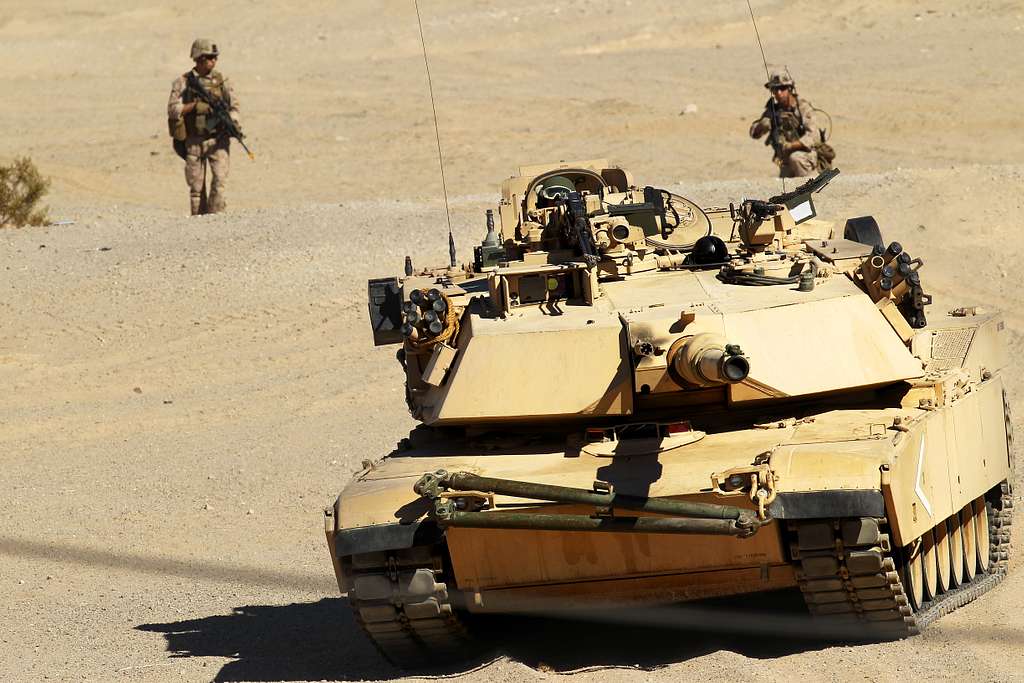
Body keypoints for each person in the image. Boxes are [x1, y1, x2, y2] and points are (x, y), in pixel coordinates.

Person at [167, 39, 241, 215]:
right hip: (194, 140)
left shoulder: (222, 81)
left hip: (218, 139)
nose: (213, 61)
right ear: (198, 58)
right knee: (196, 189)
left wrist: (232, 122)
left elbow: (235, 106)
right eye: (209, 57)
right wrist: (193, 106)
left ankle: (216, 220)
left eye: (214, 57)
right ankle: (199, 225)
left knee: (220, 181)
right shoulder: (183, 82)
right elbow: (172, 110)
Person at [749, 68, 831, 178]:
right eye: (775, 89)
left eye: (782, 88)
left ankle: (812, 185)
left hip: (806, 156)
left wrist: (791, 146)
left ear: (790, 88)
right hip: (786, 161)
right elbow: (754, 134)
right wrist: (762, 125)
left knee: (796, 158)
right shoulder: (773, 110)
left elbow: (813, 136)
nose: (779, 93)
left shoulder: (802, 107)